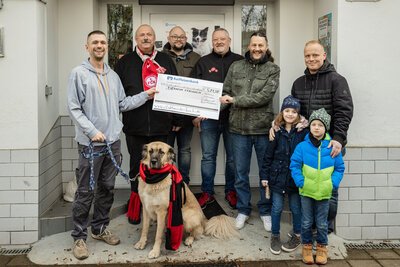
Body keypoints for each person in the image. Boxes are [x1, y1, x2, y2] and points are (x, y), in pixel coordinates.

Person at [67, 30, 156, 260]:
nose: (99, 46)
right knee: (86, 191)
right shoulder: (79, 74)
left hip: (113, 144)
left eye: (103, 42)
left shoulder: (113, 76)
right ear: (86, 47)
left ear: (106, 46)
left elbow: (123, 103)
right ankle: (78, 236)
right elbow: (74, 108)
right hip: (91, 144)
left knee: (107, 189)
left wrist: (147, 94)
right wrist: (92, 131)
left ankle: (98, 228)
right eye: (95, 42)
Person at [115, 24, 179, 224]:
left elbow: (176, 89)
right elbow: (117, 95)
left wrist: (176, 119)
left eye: (149, 35)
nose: (145, 38)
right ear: (136, 39)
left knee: (162, 167)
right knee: (137, 167)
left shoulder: (166, 60)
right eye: (141, 35)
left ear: (154, 38)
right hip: (135, 126)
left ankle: (161, 209)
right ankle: (137, 207)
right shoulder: (124, 63)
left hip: (162, 126)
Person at [291, 40, 353, 233]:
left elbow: (345, 111)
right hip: (308, 145)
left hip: (331, 144)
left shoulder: (337, 80)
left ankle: (325, 228)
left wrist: (338, 138)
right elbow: (294, 110)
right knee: (309, 187)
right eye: (308, 55)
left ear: (324, 55)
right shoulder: (298, 83)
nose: (311, 59)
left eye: (315, 55)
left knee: (329, 190)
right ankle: (309, 226)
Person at [220, 31, 280, 230]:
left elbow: (264, 96)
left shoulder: (273, 69)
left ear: (266, 46)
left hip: (263, 130)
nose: (256, 49)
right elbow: (225, 93)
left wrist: (236, 100)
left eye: (260, 46)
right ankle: (243, 210)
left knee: (266, 173)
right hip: (238, 130)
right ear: (248, 46)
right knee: (240, 173)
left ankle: (265, 210)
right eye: (253, 45)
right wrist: (206, 110)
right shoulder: (235, 66)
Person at [193, 28, 243, 209]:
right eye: (216, 40)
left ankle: (231, 191)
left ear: (229, 40)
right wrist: (195, 115)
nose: (219, 42)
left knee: (233, 158)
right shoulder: (203, 62)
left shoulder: (239, 61)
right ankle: (207, 192)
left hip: (234, 117)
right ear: (212, 42)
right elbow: (195, 90)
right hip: (209, 119)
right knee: (208, 157)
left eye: (223, 39)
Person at [290, 108, 345, 265]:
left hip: (325, 193)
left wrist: (332, 184)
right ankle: (307, 247)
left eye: (320, 125)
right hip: (306, 191)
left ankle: (321, 248)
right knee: (306, 222)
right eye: (313, 124)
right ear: (310, 126)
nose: (316, 127)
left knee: (322, 223)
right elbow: (295, 165)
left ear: (325, 128)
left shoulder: (332, 147)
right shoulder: (302, 147)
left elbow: (340, 168)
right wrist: (301, 182)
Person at [260, 95, 308, 255]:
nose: (290, 114)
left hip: (294, 178)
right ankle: (275, 236)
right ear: (282, 112)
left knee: (296, 207)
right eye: (287, 110)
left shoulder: (302, 133)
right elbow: (268, 156)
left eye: (294, 111)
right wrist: (264, 176)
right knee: (277, 208)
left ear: (298, 114)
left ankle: (297, 234)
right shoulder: (276, 131)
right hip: (277, 177)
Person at [163, 26, 201, 184]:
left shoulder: (196, 58)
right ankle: (166, 182)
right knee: (166, 151)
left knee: (185, 150)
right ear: (169, 38)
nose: (178, 39)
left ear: (186, 39)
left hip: (187, 114)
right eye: (174, 36)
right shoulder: (159, 57)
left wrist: (197, 113)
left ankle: (184, 183)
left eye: (181, 37)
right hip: (166, 114)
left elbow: (201, 85)